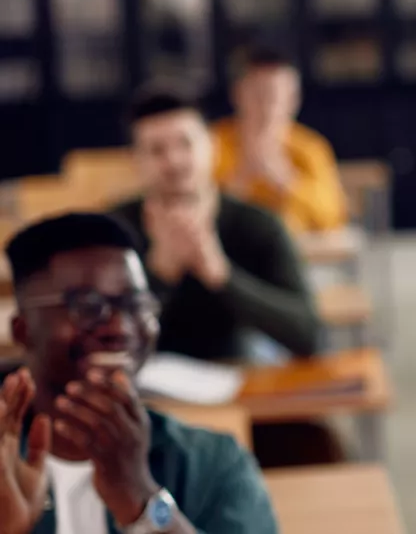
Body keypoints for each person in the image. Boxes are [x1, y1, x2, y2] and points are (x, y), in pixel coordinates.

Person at [0, 212, 277, 534]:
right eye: (88, 306)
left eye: (135, 304)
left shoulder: (212, 462)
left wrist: (141, 498)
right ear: (23, 331)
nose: (119, 327)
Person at [110, 89, 321, 362]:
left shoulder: (258, 223)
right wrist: (159, 273)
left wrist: (220, 274)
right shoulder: (113, 231)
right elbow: (99, 339)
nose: (174, 161)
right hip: (145, 385)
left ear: (212, 146)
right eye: (156, 150)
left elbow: (308, 334)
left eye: (186, 144)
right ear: (135, 160)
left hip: (243, 381)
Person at [211, 46, 348, 235]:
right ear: (237, 95)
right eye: (258, 95)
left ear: (293, 100)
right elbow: (198, 213)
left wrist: (287, 182)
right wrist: (240, 180)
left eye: (275, 96)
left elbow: (333, 217)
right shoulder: (211, 144)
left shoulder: (309, 148)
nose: (266, 107)